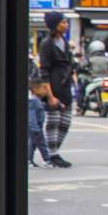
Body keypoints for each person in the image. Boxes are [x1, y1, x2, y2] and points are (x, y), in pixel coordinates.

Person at [37, 11, 75, 168]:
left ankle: (54, 152)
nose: (66, 25)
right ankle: (52, 155)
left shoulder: (64, 42)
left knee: (65, 122)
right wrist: (50, 96)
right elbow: (44, 71)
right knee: (53, 121)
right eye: (63, 22)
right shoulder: (46, 44)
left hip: (65, 85)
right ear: (55, 25)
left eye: (66, 22)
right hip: (53, 86)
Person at [27, 77, 50, 167]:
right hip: (35, 127)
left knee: (33, 144)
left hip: (36, 126)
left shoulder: (37, 100)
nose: (46, 90)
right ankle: (47, 160)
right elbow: (31, 116)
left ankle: (29, 160)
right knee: (41, 144)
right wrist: (34, 128)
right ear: (35, 89)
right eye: (43, 88)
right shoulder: (34, 101)